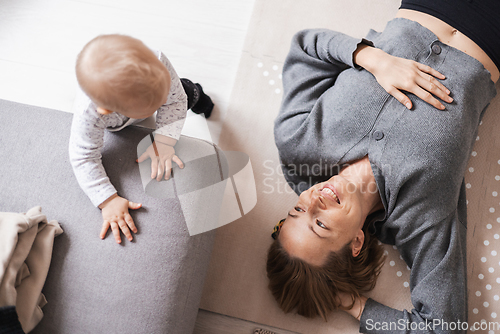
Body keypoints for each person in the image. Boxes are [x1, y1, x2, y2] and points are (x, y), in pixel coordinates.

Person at [267, 1, 499, 333]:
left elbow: (307, 47)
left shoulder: (297, 144)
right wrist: (353, 303)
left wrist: (373, 58)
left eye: (296, 211)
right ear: (356, 243)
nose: (312, 201)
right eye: (319, 224)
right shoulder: (417, 221)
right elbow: (444, 328)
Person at [69, 34, 214, 244]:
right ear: (106, 110)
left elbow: (175, 102)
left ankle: (202, 97)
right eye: (153, 105)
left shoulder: (156, 63)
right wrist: (107, 199)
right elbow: (82, 157)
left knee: (188, 92)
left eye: (160, 96)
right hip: (118, 123)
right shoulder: (90, 114)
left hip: (180, 92)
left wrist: (164, 141)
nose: (160, 105)